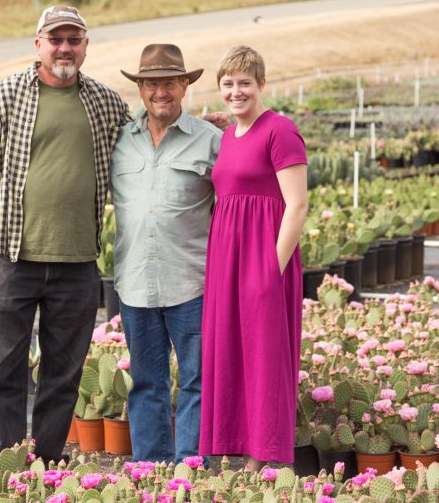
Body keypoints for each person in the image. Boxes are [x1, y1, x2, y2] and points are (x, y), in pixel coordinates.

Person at [0, 5, 131, 464]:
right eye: (56, 39)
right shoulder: (7, 95)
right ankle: (6, 459)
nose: (65, 48)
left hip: (77, 260)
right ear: (38, 45)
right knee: (3, 369)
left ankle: (49, 460)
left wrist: (202, 130)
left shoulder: (105, 102)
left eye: (74, 39)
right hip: (15, 257)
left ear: (86, 46)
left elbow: (146, 139)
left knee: (64, 372)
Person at [199, 45, 308, 469]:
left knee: (264, 356)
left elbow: (296, 206)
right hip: (227, 258)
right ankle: (235, 446)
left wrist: (270, 270)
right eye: (228, 83)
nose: (236, 91)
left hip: (264, 258)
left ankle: (261, 457)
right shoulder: (228, 135)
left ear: (262, 84)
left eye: (245, 82)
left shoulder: (280, 131)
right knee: (230, 351)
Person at [110, 44, 221, 462]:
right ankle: (151, 469)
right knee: (146, 382)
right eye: (151, 83)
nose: (161, 91)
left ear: (184, 86)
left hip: (191, 283)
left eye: (169, 82)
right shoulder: (119, 142)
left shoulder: (211, 141)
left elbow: (240, 196)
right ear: (139, 88)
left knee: (197, 381)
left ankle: (189, 469)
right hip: (134, 282)